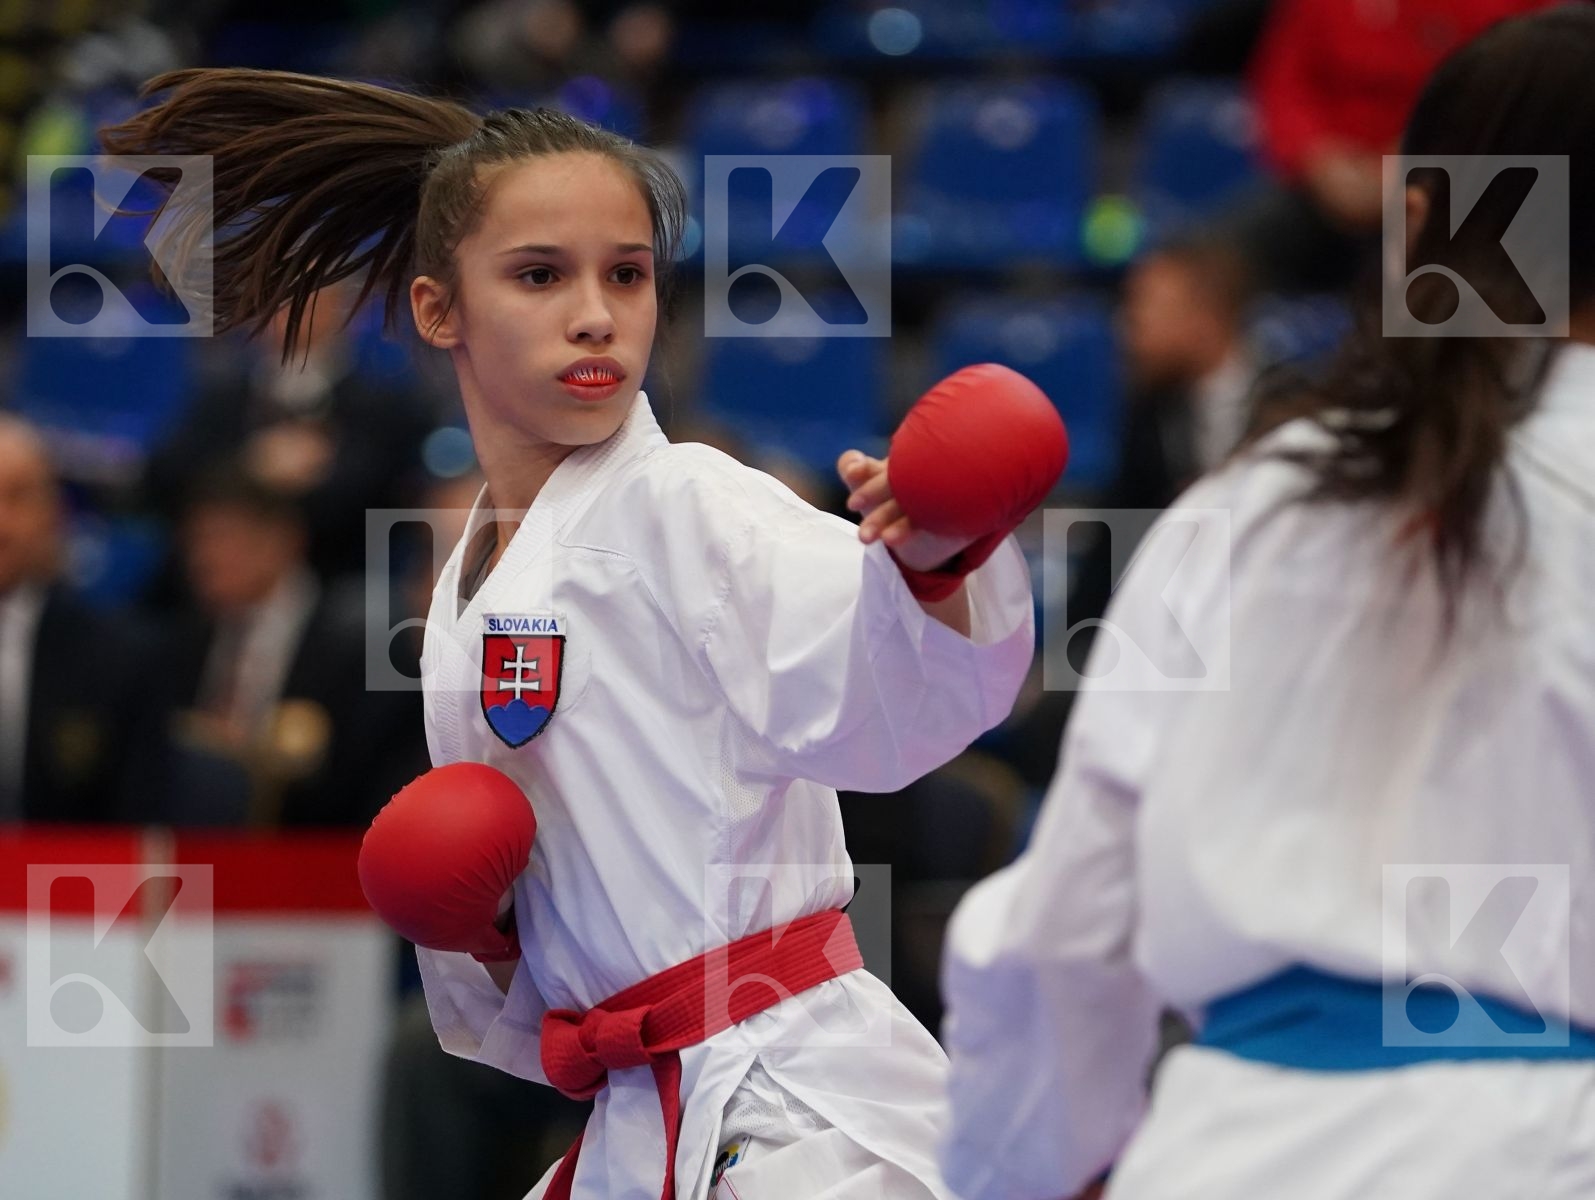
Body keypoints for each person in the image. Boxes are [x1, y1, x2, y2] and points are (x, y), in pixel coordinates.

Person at [102, 70, 1060, 1199]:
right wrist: (488, 930)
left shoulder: (686, 502)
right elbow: (528, 1015)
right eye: (539, 275)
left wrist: (930, 560)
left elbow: (877, 703)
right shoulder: (467, 594)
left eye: (628, 274)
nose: (596, 312)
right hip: (636, 1115)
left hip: (798, 1108)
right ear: (436, 309)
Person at [938, 8, 1595, 1200]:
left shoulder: (1256, 499)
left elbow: (1066, 924)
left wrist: (1021, 1168)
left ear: (1412, 225)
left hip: (1217, 1148)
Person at [164, 468, 419, 826]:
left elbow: (378, 779)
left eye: (221, 538)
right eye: (195, 541)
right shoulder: (182, 641)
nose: (202, 558)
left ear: (283, 539)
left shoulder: (360, 647)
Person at [0, 415, 169, 821]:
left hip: (62, 881)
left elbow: (135, 838)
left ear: (53, 514)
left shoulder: (122, 659)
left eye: (17, 497)